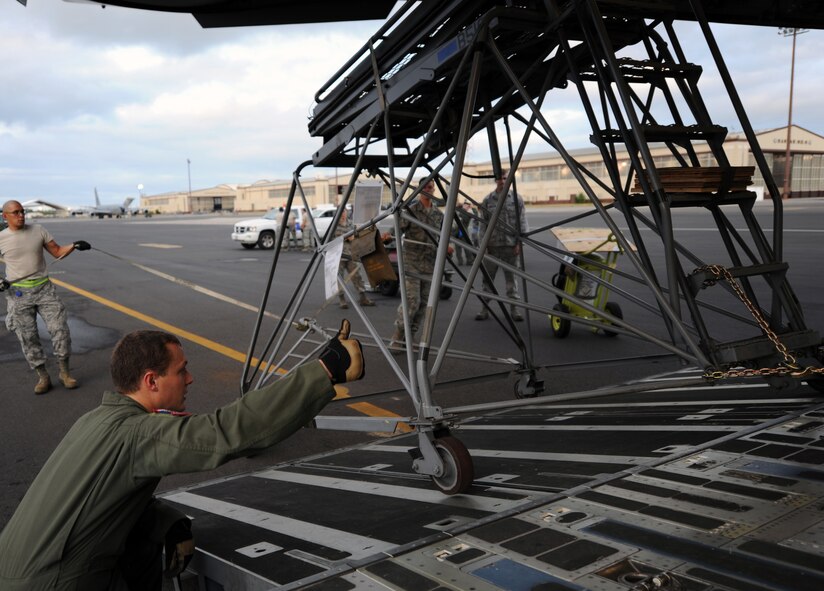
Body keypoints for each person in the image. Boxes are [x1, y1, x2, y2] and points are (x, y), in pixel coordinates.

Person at [0, 322, 365, 590]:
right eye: (181, 370)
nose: (190, 379)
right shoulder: (137, 433)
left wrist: (166, 522)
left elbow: (97, 498)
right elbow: (228, 433)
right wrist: (325, 369)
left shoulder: (97, 420)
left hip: (20, 573)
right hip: (52, 583)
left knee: (143, 545)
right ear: (151, 381)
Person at [0, 200, 92, 394]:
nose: (21, 215)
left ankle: (64, 373)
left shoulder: (38, 230)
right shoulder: (2, 237)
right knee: (28, 337)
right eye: (15, 212)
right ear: (5, 216)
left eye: (22, 211)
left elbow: (57, 251)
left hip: (44, 291)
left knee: (60, 330)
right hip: (18, 295)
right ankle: (43, 376)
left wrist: (74, 246)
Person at [388, 178, 453, 350]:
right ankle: (398, 335)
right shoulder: (411, 210)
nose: (428, 189)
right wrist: (387, 235)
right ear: (419, 189)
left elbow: (443, 236)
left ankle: (411, 338)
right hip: (412, 264)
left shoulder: (438, 215)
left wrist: (448, 246)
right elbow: (397, 229)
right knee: (412, 302)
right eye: (425, 187)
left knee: (424, 305)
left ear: (433, 190)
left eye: (431, 187)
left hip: (430, 266)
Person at [475, 173, 528, 322]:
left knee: (512, 280)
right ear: (496, 180)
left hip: (510, 247)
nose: (502, 181)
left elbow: (522, 221)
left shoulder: (517, 199)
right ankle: (484, 309)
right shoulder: (487, 200)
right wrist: (483, 245)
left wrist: (519, 243)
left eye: (505, 178)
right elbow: (482, 224)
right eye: (500, 178)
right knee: (488, 281)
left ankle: (515, 309)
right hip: (492, 247)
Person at [335, 207, 375, 309]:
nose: (343, 214)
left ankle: (363, 298)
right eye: (341, 212)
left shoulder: (350, 224)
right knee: (339, 279)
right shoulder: (334, 226)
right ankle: (342, 299)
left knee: (357, 276)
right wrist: (349, 236)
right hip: (339, 257)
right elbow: (344, 237)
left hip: (351, 255)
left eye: (344, 212)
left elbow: (355, 237)